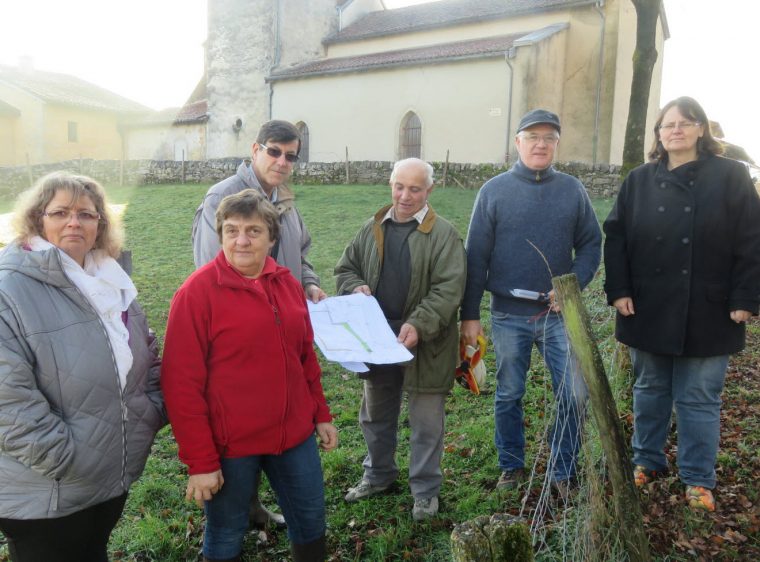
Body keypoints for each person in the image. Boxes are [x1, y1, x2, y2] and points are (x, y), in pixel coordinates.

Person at [162, 189, 338, 562]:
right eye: (231, 230)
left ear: (271, 238)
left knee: (310, 522)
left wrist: (320, 413)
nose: (241, 240)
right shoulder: (196, 294)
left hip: (293, 436)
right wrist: (201, 462)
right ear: (220, 234)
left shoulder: (287, 283)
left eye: (253, 231)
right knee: (226, 532)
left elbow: (304, 356)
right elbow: (181, 386)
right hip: (231, 446)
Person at [603, 96, 760, 512]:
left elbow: (752, 239)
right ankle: (648, 461)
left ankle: (697, 479)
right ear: (658, 133)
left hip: (711, 307)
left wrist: (746, 297)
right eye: (667, 124)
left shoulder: (730, 176)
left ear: (701, 130)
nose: (675, 130)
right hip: (647, 305)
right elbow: (615, 237)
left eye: (685, 123)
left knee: (699, 397)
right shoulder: (639, 180)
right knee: (650, 389)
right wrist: (619, 290)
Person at [0, 172, 165, 562]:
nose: (74, 222)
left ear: (100, 225)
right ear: (37, 219)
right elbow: (7, 398)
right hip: (47, 489)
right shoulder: (10, 288)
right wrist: (65, 460)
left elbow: (143, 351)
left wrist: (152, 408)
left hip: (106, 475)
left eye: (86, 214)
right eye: (60, 212)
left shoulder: (109, 281)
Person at [460, 109, 602, 497]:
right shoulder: (494, 191)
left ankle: (563, 469)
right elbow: (476, 257)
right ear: (518, 142)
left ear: (557, 144)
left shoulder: (572, 190)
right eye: (532, 136)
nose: (540, 144)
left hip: (559, 313)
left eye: (549, 138)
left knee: (574, 392)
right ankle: (511, 465)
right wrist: (470, 315)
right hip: (508, 315)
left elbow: (591, 243)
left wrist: (572, 284)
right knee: (509, 393)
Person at [192, 120, 325, 526]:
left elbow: (299, 252)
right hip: (240, 340)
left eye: (290, 155)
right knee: (240, 429)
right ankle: (238, 511)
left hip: (283, 331)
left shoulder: (284, 199)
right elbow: (210, 271)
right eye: (274, 151)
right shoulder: (222, 196)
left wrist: (310, 283)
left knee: (277, 416)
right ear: (255, 149)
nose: (282, 162)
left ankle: (253, 507)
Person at [335, 158, 466, 521]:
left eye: (415, 189)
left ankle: (425, 491)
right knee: (375, 415)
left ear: (429, 191)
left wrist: (419, 325)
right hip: (377, 342)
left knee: (426, 424)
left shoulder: (445, 235)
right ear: (390, 185)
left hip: (425, 343)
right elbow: (346, 268)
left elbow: (448, 290)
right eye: (399, 186)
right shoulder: (371, 228)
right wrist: (353, 286)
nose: (405, 196)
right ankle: (378, 476)